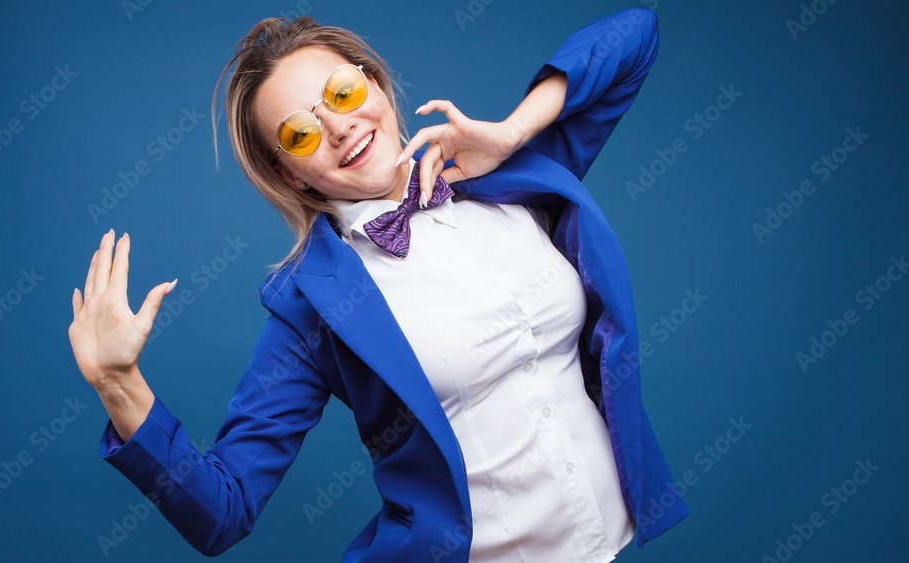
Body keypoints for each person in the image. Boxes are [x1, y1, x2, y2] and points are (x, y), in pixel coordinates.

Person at [67, 6, 687, 562]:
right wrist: (120, 385)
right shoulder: (313, 309)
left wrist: (512, 130)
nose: (337, 127)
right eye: (299, 133)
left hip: (607, 542)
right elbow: (223, 513)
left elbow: (636, 36)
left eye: (341, 91)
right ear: (291, 173)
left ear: (375, 84)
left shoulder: (511, 177)